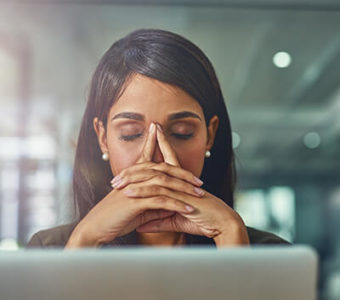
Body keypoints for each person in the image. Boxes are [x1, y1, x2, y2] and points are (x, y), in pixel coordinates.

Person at [27, 29, 288, 248]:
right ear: (103, 138)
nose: (156, 157)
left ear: (210, 135)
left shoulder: (267, 252)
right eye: (131, 134)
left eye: (181, 133)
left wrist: (230, 234)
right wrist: (85, 240)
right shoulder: (52, 248)